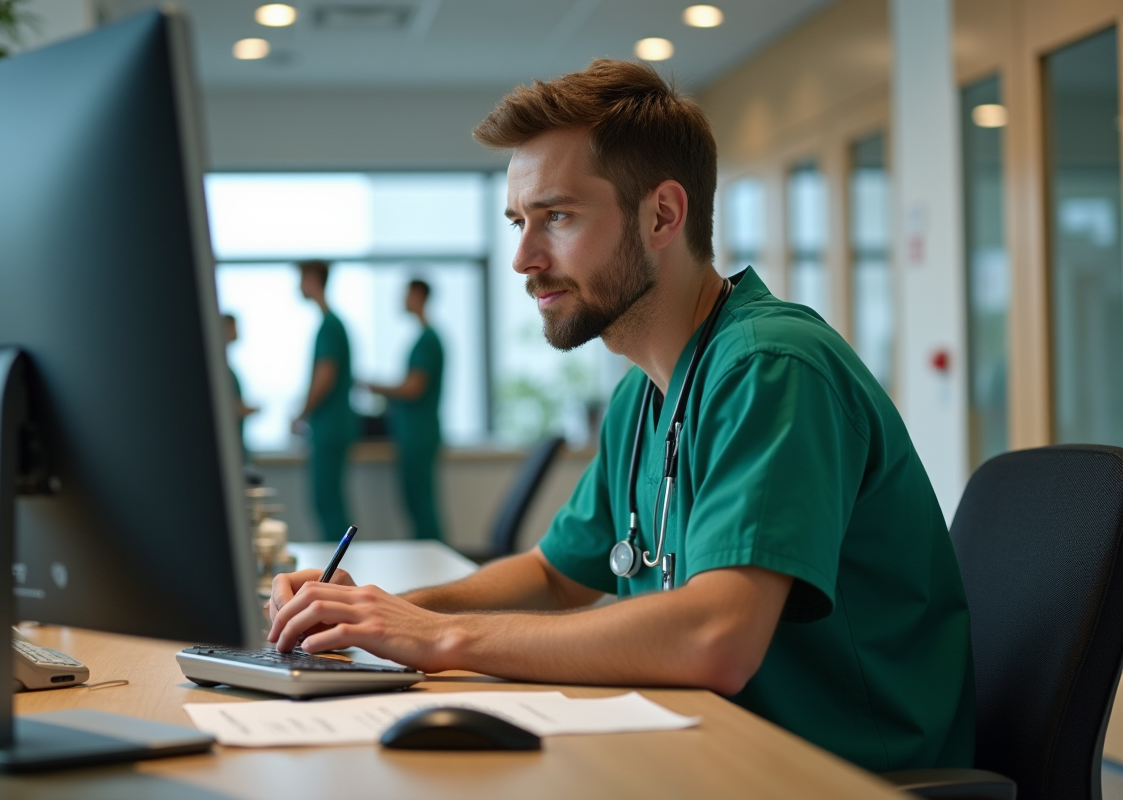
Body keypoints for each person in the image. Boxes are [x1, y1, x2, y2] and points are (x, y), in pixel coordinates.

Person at [266, 61, 974, 772]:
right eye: (519, 222)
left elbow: (716, 638)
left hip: (837, 772)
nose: (522, 258)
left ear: (663, 215)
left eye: (558, 216)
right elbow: (554, 575)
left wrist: (442, 638)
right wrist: (381, 615)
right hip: (702, 745)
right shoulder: (643, 395)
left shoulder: (771, 367)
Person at [363, 279, 445, 541]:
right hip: (412, 432)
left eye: (407, 294)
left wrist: (378, 387)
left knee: (421, 503)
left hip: (418, 433)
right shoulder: (423, 339)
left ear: (419, 295)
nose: (402, 300)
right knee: (414, 502)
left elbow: (413, 388)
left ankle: (434, 561)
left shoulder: (428, 341)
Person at [292, 260, 358, 541]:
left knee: (326, 501)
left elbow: (325, 377)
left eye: (301, 279)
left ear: (313, 280)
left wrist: (301, 413)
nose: (297, 287)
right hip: (333, 425)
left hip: (329, 427)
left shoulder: (330, 326)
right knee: (330, 499)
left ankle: (335, 574)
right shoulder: (332, 324)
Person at [221, 313, 258, 461]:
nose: (236, 331)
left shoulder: (228, 370)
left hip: (237, 447)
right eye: (232, 327)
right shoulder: (220, 371)